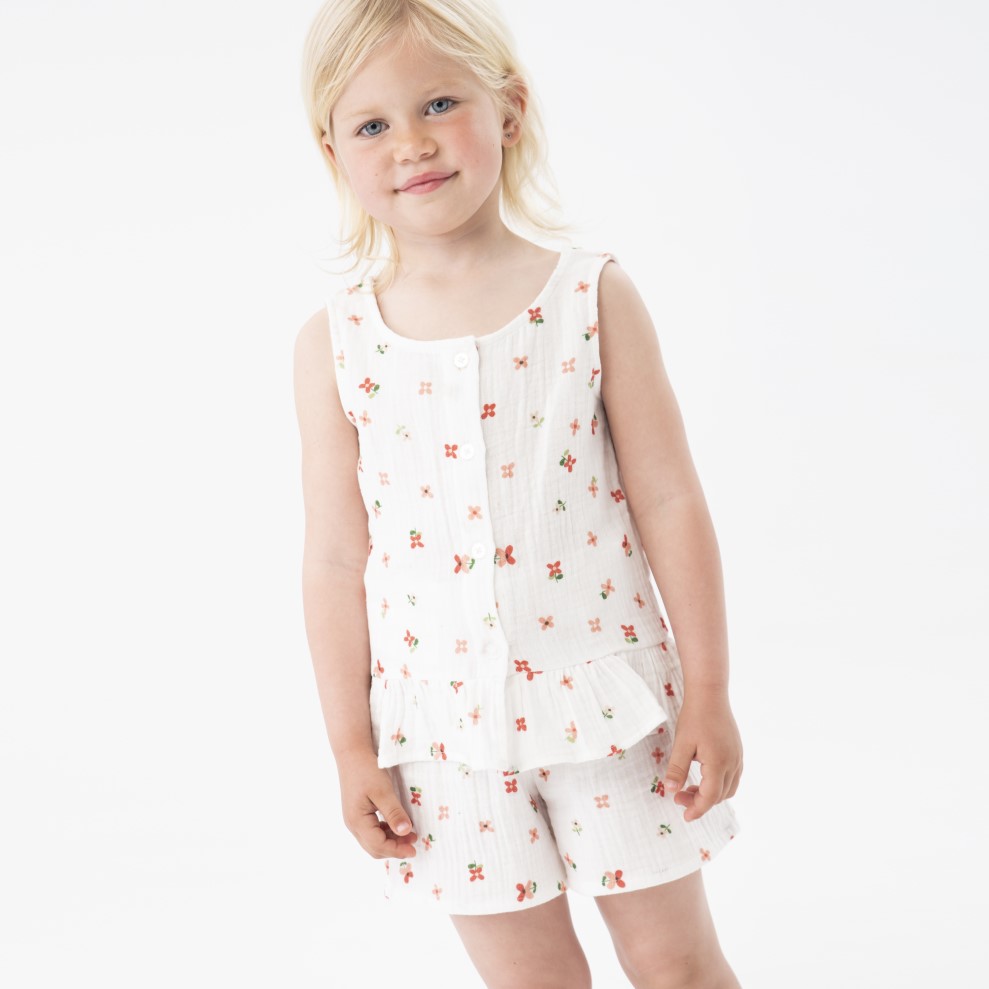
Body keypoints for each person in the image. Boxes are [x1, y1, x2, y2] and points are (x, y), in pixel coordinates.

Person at [294, 2, 745, 986]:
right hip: (440, 740)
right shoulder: (335, 343)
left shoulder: (590, 295)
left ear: (507, 108)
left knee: (674, 964)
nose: (410, 143)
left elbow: (670, 500)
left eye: (438, 104)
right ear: (333, 152)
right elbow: (334, 555)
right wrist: (349, 747)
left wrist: (708, 691)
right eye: (370, 124)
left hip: (612, 709)